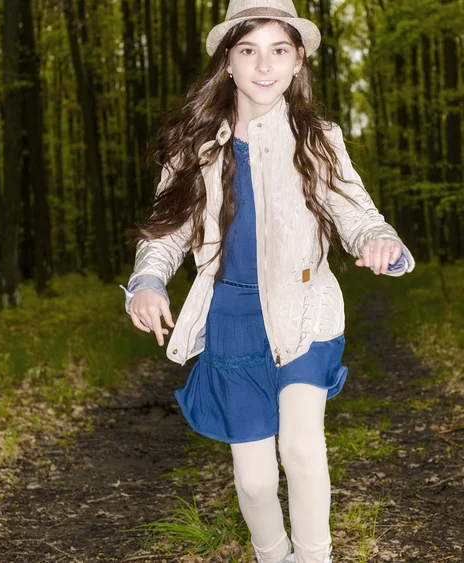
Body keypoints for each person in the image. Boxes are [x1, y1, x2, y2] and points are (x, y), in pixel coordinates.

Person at [120, 1, 415, 562]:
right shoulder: (196, 145)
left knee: (302, 449)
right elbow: (165, 232)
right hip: (231, 318)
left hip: (305, 310)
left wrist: (383, 242)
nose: (264, 65)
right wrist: (148, 281)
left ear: (298, 60)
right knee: (254, 480)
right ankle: (272, 555)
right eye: (247, 50)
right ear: (226, 62)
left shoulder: (318, 138)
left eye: (279, 50)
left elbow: (357, 213)